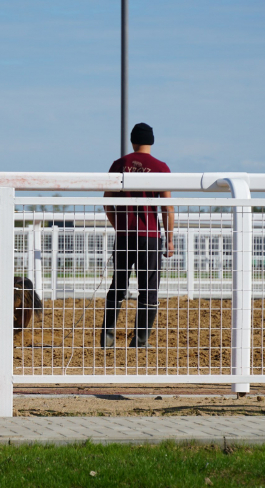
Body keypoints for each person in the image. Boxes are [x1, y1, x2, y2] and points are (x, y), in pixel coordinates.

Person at [101, 123, 174, 348]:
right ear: (151, 141)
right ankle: (140, 341)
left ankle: (108, 339)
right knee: (149, 287)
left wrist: (118, 226)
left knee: (119, 284)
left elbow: (107, 201)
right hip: (150, 236)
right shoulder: (161, 167)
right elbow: (167, 208)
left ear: (133, 140)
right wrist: (170, 240)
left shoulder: (119, 165)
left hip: (124, 235)